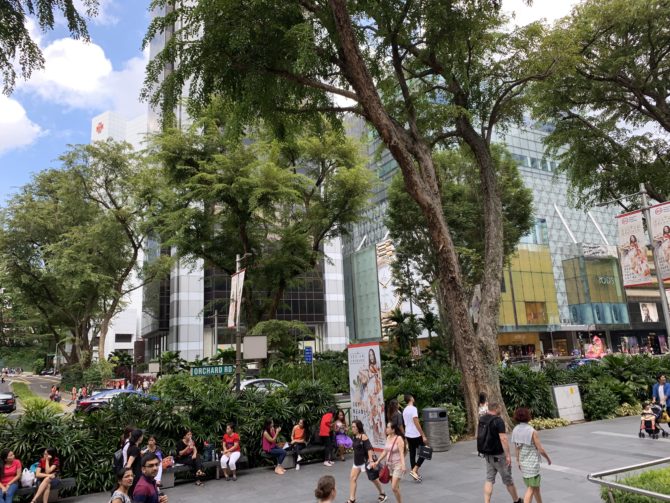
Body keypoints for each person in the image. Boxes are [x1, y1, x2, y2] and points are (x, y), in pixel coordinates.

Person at [479, 403, 522, 503]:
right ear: (496, 408)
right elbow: (503, 439)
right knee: (508, 480)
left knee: (489, 479)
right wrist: (508, 455)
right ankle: (517, 500)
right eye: (500, 408)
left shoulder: (482, 419)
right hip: (499, 455)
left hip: (488, 454)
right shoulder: (498, 421)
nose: (501, 409)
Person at [511, 408, 551, 503]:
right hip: (532, 464)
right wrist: (548, 458)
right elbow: (540, 449)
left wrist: (518, 461)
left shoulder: (515, 430)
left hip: (523, 462)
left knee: (536, 487)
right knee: (531, 488)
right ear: (528, 417)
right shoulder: (532, 431)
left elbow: (517, 447)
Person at [346, 420, 387, 503]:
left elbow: (369, 449)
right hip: (356, 462)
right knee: (352, 478)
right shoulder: (354, 436)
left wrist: (371, 461)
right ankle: (352, 499)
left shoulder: (363, 436)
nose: (352, 428)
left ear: (358, 428)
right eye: (352, 426)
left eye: (354, 427)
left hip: (365, 462)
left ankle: (382, 493)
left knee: (373, 479)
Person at [370, 422, 407, 503]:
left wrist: (403, 465)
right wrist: (377, 461)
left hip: (398, 465)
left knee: (393, 487)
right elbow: (385, 451)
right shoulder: (388, 437)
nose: (386, 429)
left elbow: (401, 453)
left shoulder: (399, 439)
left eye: (388, 427)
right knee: (396, 487)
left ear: (393, 429)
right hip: (389, 466)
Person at [402, 394, 427, 482]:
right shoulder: (413, 409)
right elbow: (416, 422)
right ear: (411, 399)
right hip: (415, 434)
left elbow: (406, 423)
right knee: (424, 452)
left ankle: (414, 475)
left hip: (408, 434)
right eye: (413, 397)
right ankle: (414, 470)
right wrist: (423, 434)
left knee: (412, 454)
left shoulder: (404, 410)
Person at [125, 429, 144, 495]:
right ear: (139, 437)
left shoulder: (132, 447)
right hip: (136, 475)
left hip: (135, 475)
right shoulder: (135, 448)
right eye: (142, 436)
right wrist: (129, 476)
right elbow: (129, 464)